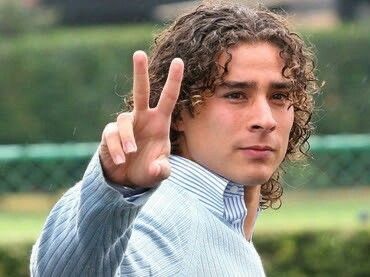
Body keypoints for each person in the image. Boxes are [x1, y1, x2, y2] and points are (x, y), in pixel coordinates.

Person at [30, 2, 317, 276]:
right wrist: (118, 188)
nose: (265, 120)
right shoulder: (164, 215)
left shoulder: (223, 213)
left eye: (279, 96)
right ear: (179, 111)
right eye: (235, 95)